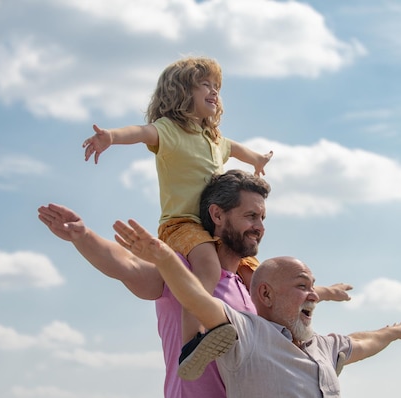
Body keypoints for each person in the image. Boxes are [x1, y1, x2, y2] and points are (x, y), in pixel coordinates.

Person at [38, 169, 351, 398]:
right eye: (251, 216)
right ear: (217, 215)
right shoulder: (183, 272)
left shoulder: (251, 288)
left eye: (262, 218)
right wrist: (83, 235)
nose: (260, 226)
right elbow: (127, 266)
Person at [113, 221, 401, 398]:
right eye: (302, 286)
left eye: (313, 287)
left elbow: (362, 341)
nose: (313, 294)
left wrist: (392, 332)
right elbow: (196, 299)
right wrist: (166, 259)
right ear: (266, 294)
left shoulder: (324, 347)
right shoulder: (247, 334)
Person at [82, 56, 273, 362]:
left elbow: (236, 148)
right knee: (208, 268)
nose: (214, 92)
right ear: (182, 93)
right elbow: (141, 132)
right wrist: (112, 137)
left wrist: (257, 161)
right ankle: (192, 341)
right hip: (181, 223)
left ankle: (273, 338)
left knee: (254, 272)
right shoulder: (170, 130)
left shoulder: (213, 138)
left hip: (214, 227)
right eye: (205, 85)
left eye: (217, 87)